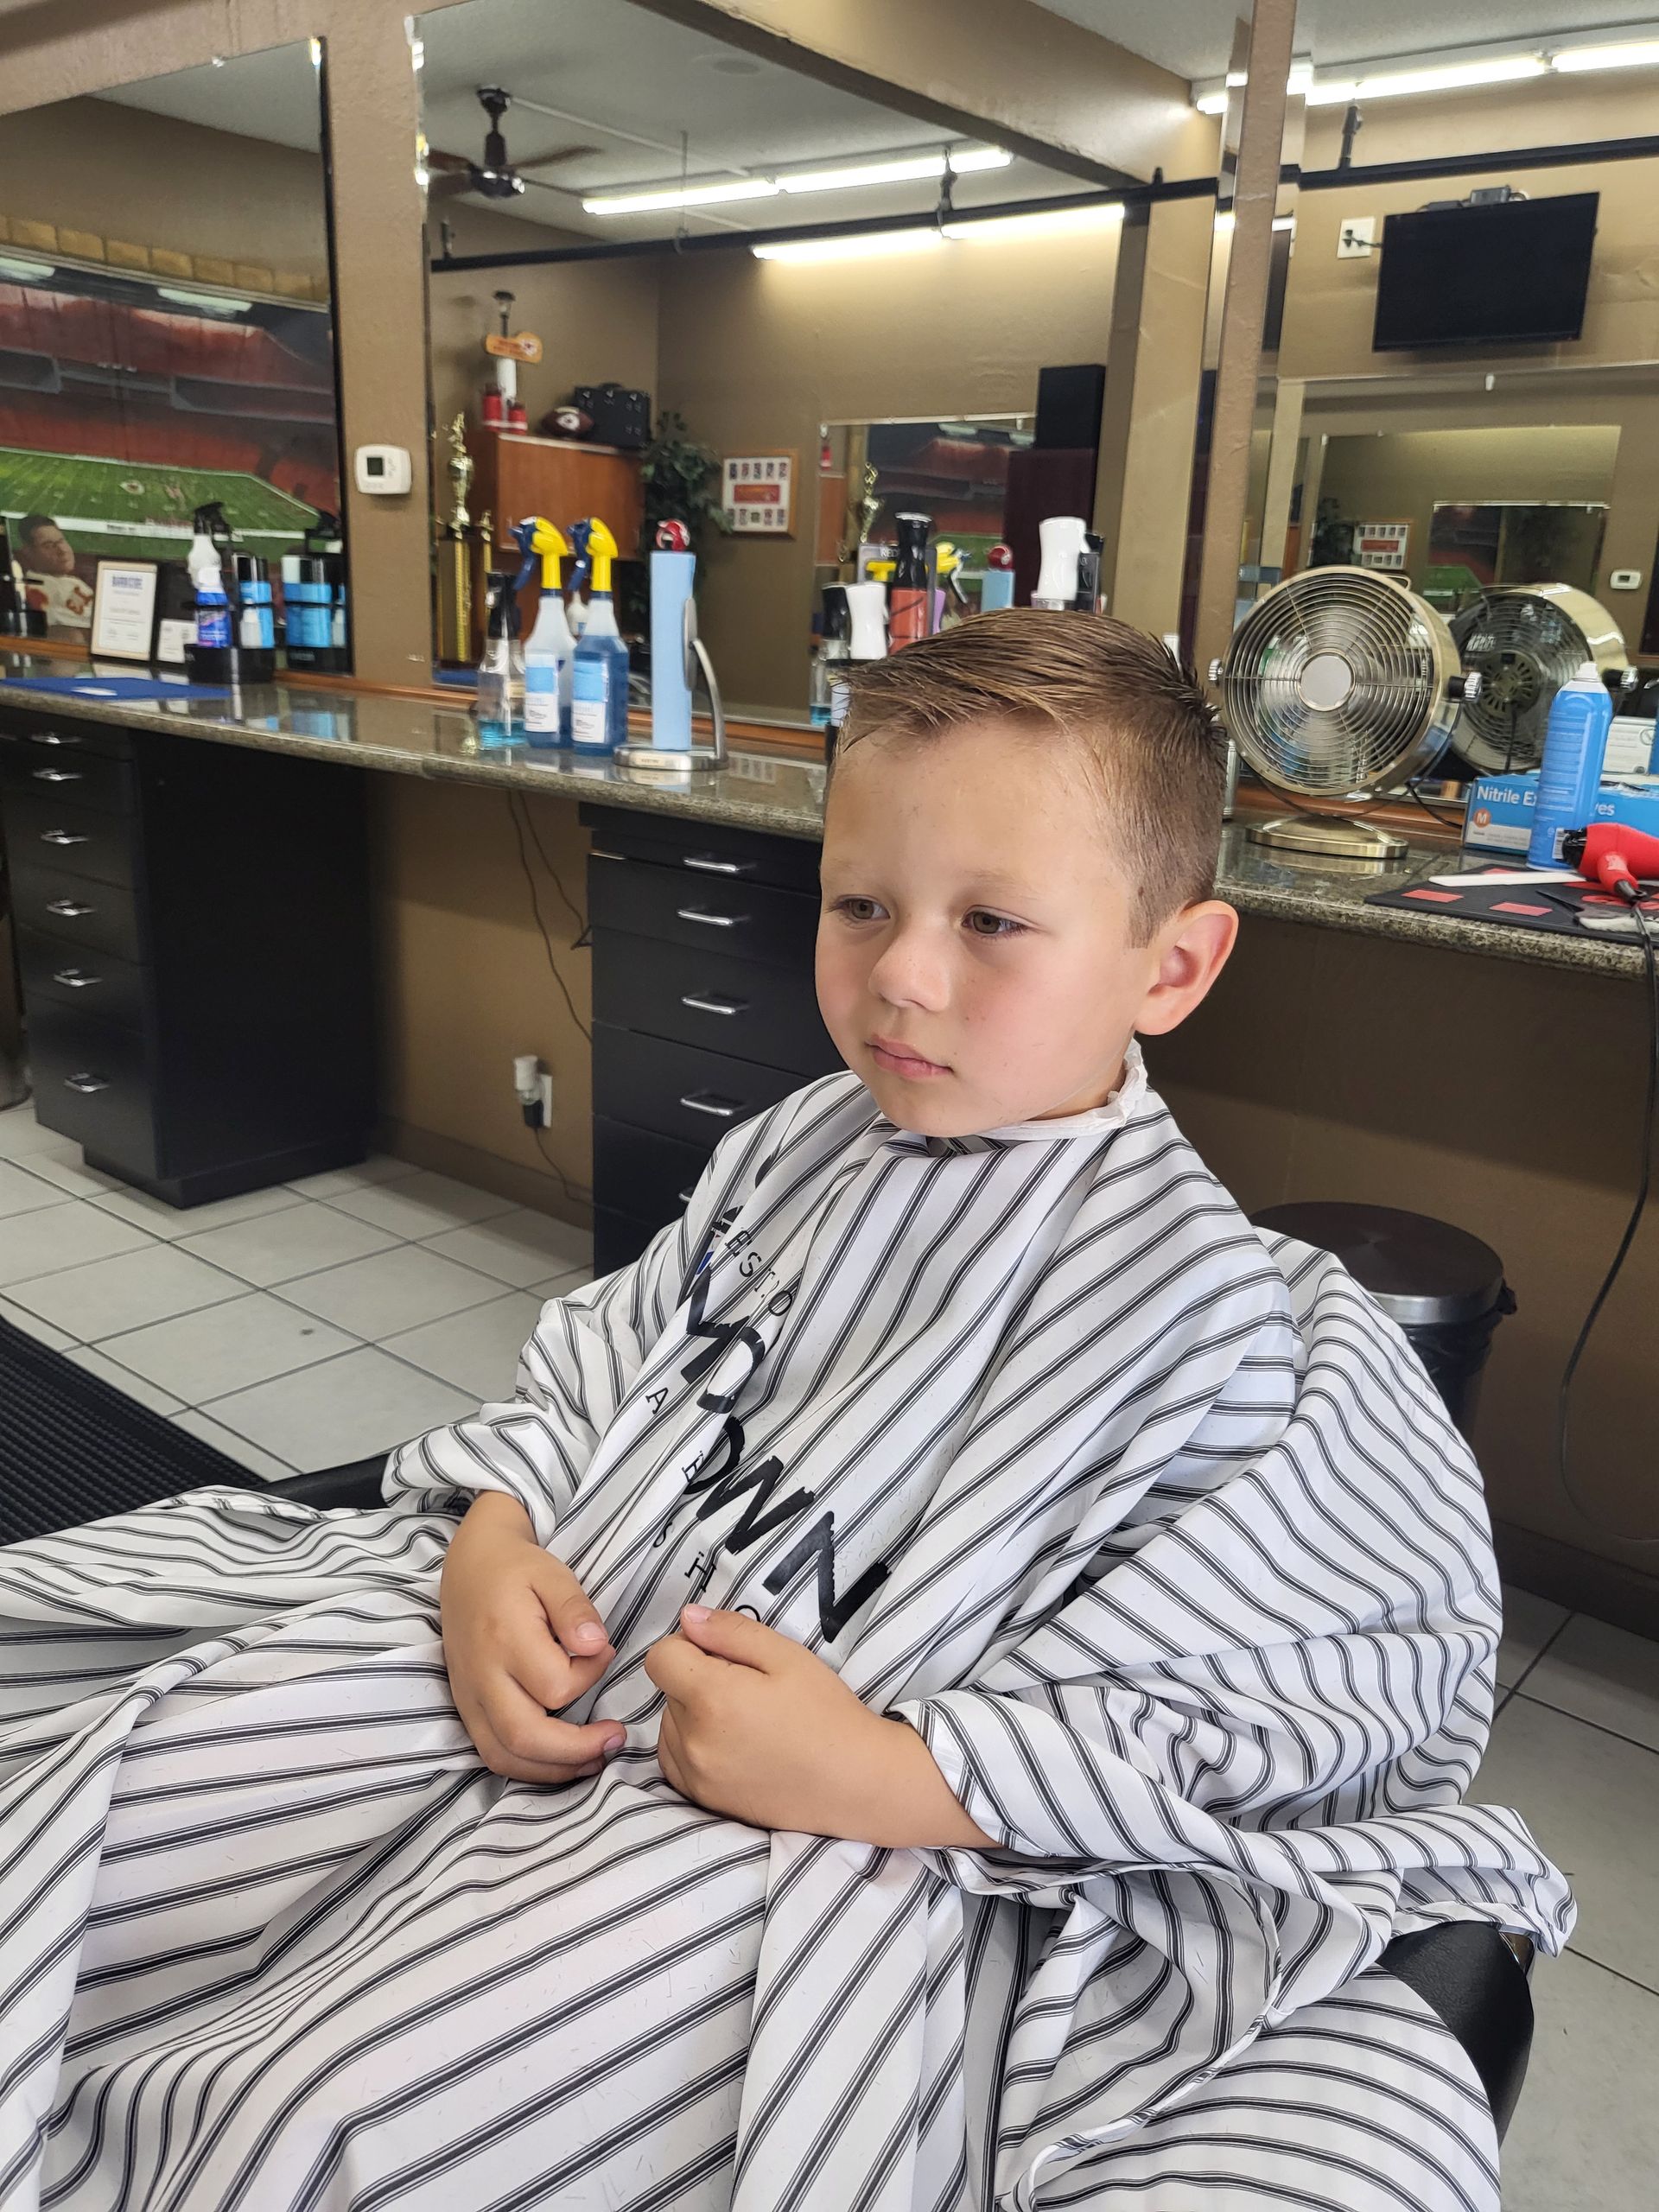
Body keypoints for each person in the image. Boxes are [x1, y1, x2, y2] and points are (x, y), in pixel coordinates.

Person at [0, 613, 1570, 2211]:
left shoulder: (1225, 1322)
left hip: (799, 1831)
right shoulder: (796, 1147)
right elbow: (603, 1358)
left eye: (992, 921)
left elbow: (1307, 1687)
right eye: (859, 903)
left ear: (1171, 966)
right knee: (136, 1781)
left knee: (326, 2111)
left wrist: (888, 1776)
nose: (901, 974)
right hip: (555, 1653)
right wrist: (495, 1533)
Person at [16, 511, 93, 633]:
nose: (62, 550)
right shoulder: (36, 590)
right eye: (49, 545)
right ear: (28, 552)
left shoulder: (71, 581)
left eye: (61, 541)